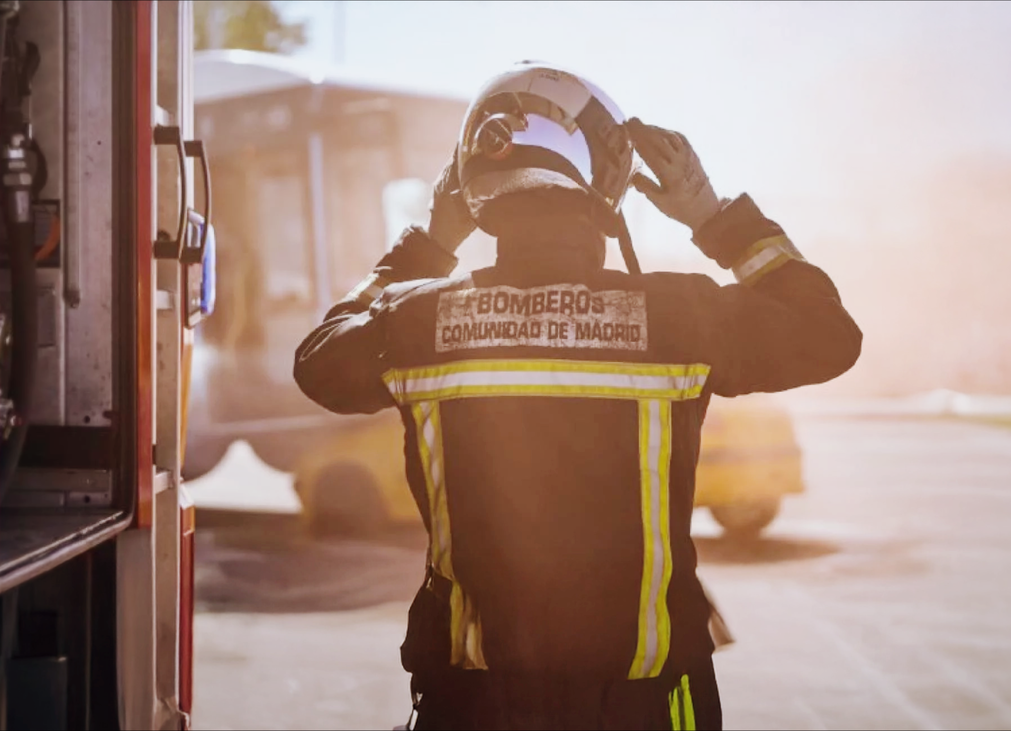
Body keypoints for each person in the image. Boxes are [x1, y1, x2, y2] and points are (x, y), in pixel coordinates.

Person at [294, 61, 862, 731]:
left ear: (472, 187)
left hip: (475, 705)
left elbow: (318, 358)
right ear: (605, 179)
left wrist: (431, 241)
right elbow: (830, 334)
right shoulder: (680, 316)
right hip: (644, 704)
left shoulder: (414, 323)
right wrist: (714, 217)